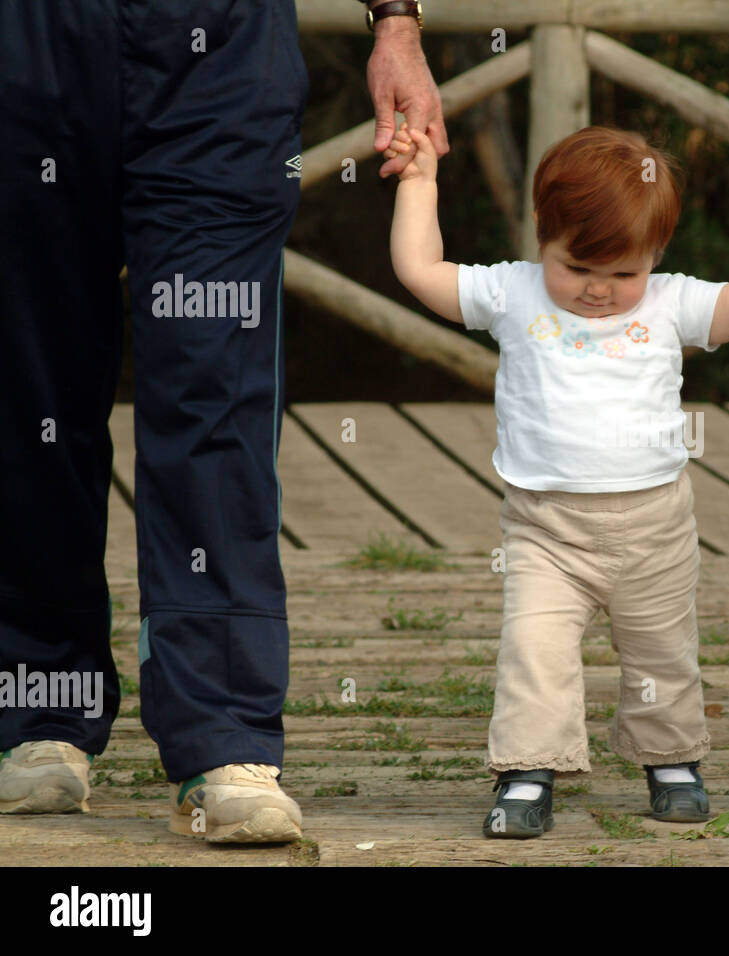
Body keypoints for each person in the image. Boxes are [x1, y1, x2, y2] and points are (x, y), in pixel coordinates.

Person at [0, 0, 446, 843]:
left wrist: (396, 24)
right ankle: (37, 709)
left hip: (220, 55)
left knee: (217, 388)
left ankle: (225, 737)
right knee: (32, 391)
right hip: (29, 39)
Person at [385, 122, 729, 837]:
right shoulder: (513, 293)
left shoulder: (669, 302)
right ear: (541, 237)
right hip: (545, 529)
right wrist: (418, 180)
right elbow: (420, 270)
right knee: (534, 650)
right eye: (578, 268)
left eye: (624, 274)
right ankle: (527, 768)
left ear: (655, 257)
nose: (600, 291)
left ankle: (670, 759)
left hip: (654, 526)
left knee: (661, 650)